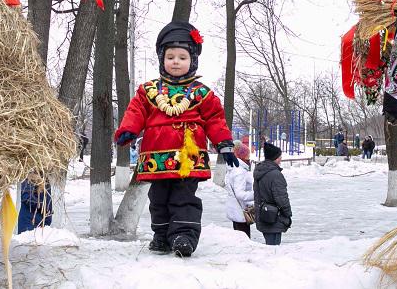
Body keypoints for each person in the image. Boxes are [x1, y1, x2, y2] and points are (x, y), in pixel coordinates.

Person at [114, 21, 238, 257]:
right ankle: (161, 235)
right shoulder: (148, 90)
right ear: (162, 59)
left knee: (184, 198)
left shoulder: (202, 93)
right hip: (156, 159)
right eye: (170, 56)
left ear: (192, 60)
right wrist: (128, 129)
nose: (176, 62)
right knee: (158, 199)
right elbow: (136, 111)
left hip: (187, 159)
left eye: (182, 57)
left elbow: (215, 119)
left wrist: (224, 143)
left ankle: (184, 236)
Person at [254, 142, 292, 246]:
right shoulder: (275, 174)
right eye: (280, 157)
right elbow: (281, 198)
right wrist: (288, 214)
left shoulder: (260, 171)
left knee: (269, 246)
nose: (281, 159)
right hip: (274, 217)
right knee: (273, 249)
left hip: (264, 214)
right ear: (275, 158)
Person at [225, 143, 254, 238]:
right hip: (240, 212)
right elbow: (240, 194)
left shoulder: (233, 169)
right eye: (247, 156)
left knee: (239, 237)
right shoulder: (239, 172)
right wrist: (255, 194)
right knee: (244, 239)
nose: (249, 158)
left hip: (236, 210)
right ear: (242, 156)